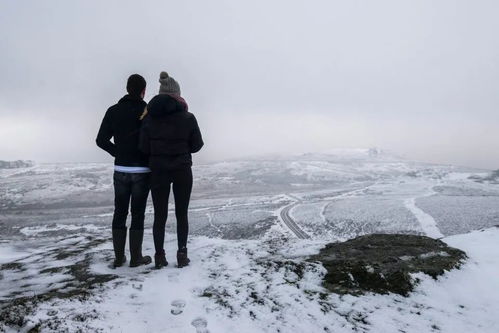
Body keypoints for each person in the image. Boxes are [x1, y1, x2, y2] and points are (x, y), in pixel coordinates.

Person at [139, 71, 204, 269]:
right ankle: (182, 254)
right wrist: (182, 150)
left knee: (160, 214)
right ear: (178, 95)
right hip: (182, 169)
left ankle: (159, 256)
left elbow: (143, 147)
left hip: (158, 170)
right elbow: (197, 145)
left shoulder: (149, 118)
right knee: (181, 212)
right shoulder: (188, 117)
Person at [96, 74, 152, 268]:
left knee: (119, 212)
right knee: (138, 213)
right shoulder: (148, 111)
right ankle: (136, 258)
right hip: (142, 170)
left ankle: (119, 258)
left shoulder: (113, 111)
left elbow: (100, 140)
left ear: (127, 88)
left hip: (120, 169)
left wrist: (118, 153)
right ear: (143, 90)